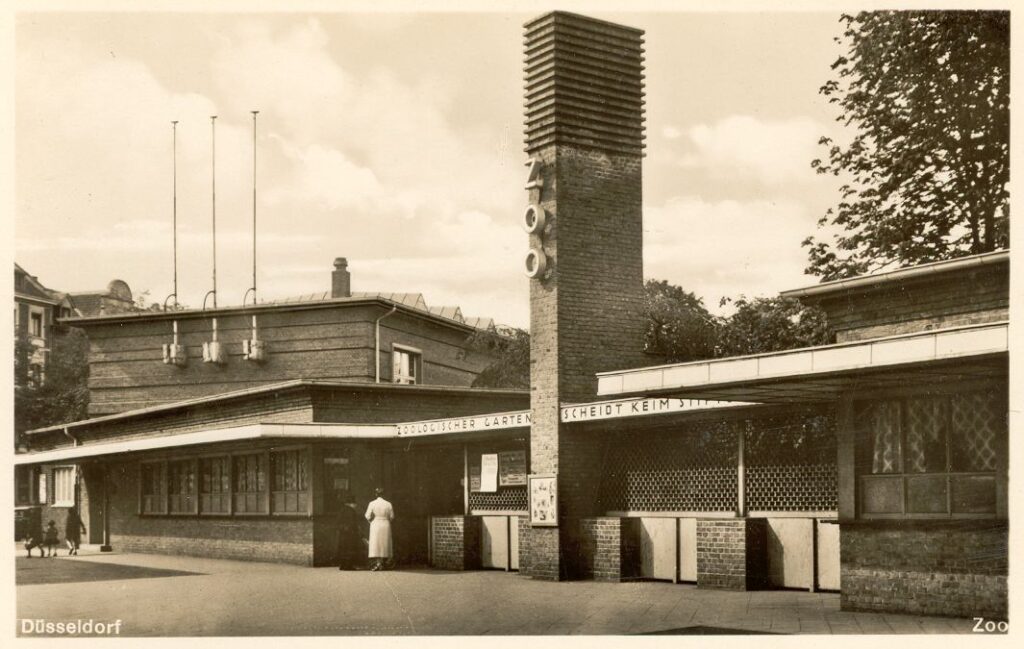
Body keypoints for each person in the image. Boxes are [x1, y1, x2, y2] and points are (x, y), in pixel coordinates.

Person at [364, 488, 394, 571]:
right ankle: (383, 562)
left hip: (376, 524)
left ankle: (378, 562)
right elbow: (392, 516)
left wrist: (371, 522)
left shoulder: (372, 503)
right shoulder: (388, 504)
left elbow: (367, 516)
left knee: (376, 543)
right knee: (385, 543)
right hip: (385, 524)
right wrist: (386, 520)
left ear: (376, 494)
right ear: (384, 494)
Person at [336, 502, 365, 570]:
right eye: (355, 504)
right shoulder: (351, 511)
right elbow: (353, 522)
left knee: (343, 549)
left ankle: (342, 565)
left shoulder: (342, 510)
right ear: (351, 503)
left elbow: (338, 522)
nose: (356, 506)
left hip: (342, 533)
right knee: (350, 549)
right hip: (350, 533)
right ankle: (348, 566)